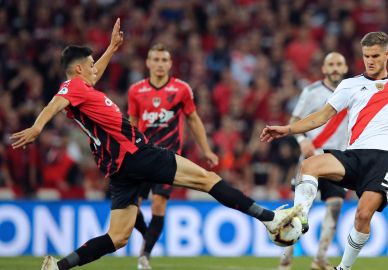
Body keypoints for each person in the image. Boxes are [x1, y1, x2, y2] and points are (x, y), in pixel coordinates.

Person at [9, 18, 300, 270]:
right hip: (136, 153)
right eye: (89, 65)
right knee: (207, 179)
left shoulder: (82, 88)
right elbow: (57, 101)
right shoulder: (72, 88)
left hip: (120, 167)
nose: (94, 69)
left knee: (118, 237)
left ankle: (59, 266)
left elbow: (85, 79)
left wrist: (110, 48)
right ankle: (271, 218)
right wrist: (37, 127)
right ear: (77, 71)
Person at [261, 32, 388, 270]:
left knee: (362, 215)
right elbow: (321, 117)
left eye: (375, 56)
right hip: (355, 155)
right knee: (309, 166)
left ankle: (343, 268)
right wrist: (287, 129)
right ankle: (300, 216)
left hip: (385, 161)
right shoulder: (349, 85)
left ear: (387, 55)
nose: (370, 60)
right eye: (366, 56)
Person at [127, 43, 219, 270]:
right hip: (141, 156)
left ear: (170, 63)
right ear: (148, 63)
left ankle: (144, 256)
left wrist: (206, 150)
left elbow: (194, 120)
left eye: (164, 60)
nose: (159, 64)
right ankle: (148, 236)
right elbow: (132, 125)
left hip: (168, 159)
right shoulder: (136, 91)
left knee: (158, 205)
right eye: (155, 60)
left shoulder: (181, 89)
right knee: (132, 208)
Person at [279, 52, 349, 270]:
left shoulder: (354, 91)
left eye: (339, 64)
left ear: (345, 68)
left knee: (335, 206)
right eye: (331, 64)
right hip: (312, 157)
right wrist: (301, 141)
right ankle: (285, 261)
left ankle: (320, 259)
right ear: (324, 69)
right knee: (299, 211)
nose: (335, 68)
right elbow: (294, 120)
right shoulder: (311, 91)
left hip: (338, 159)